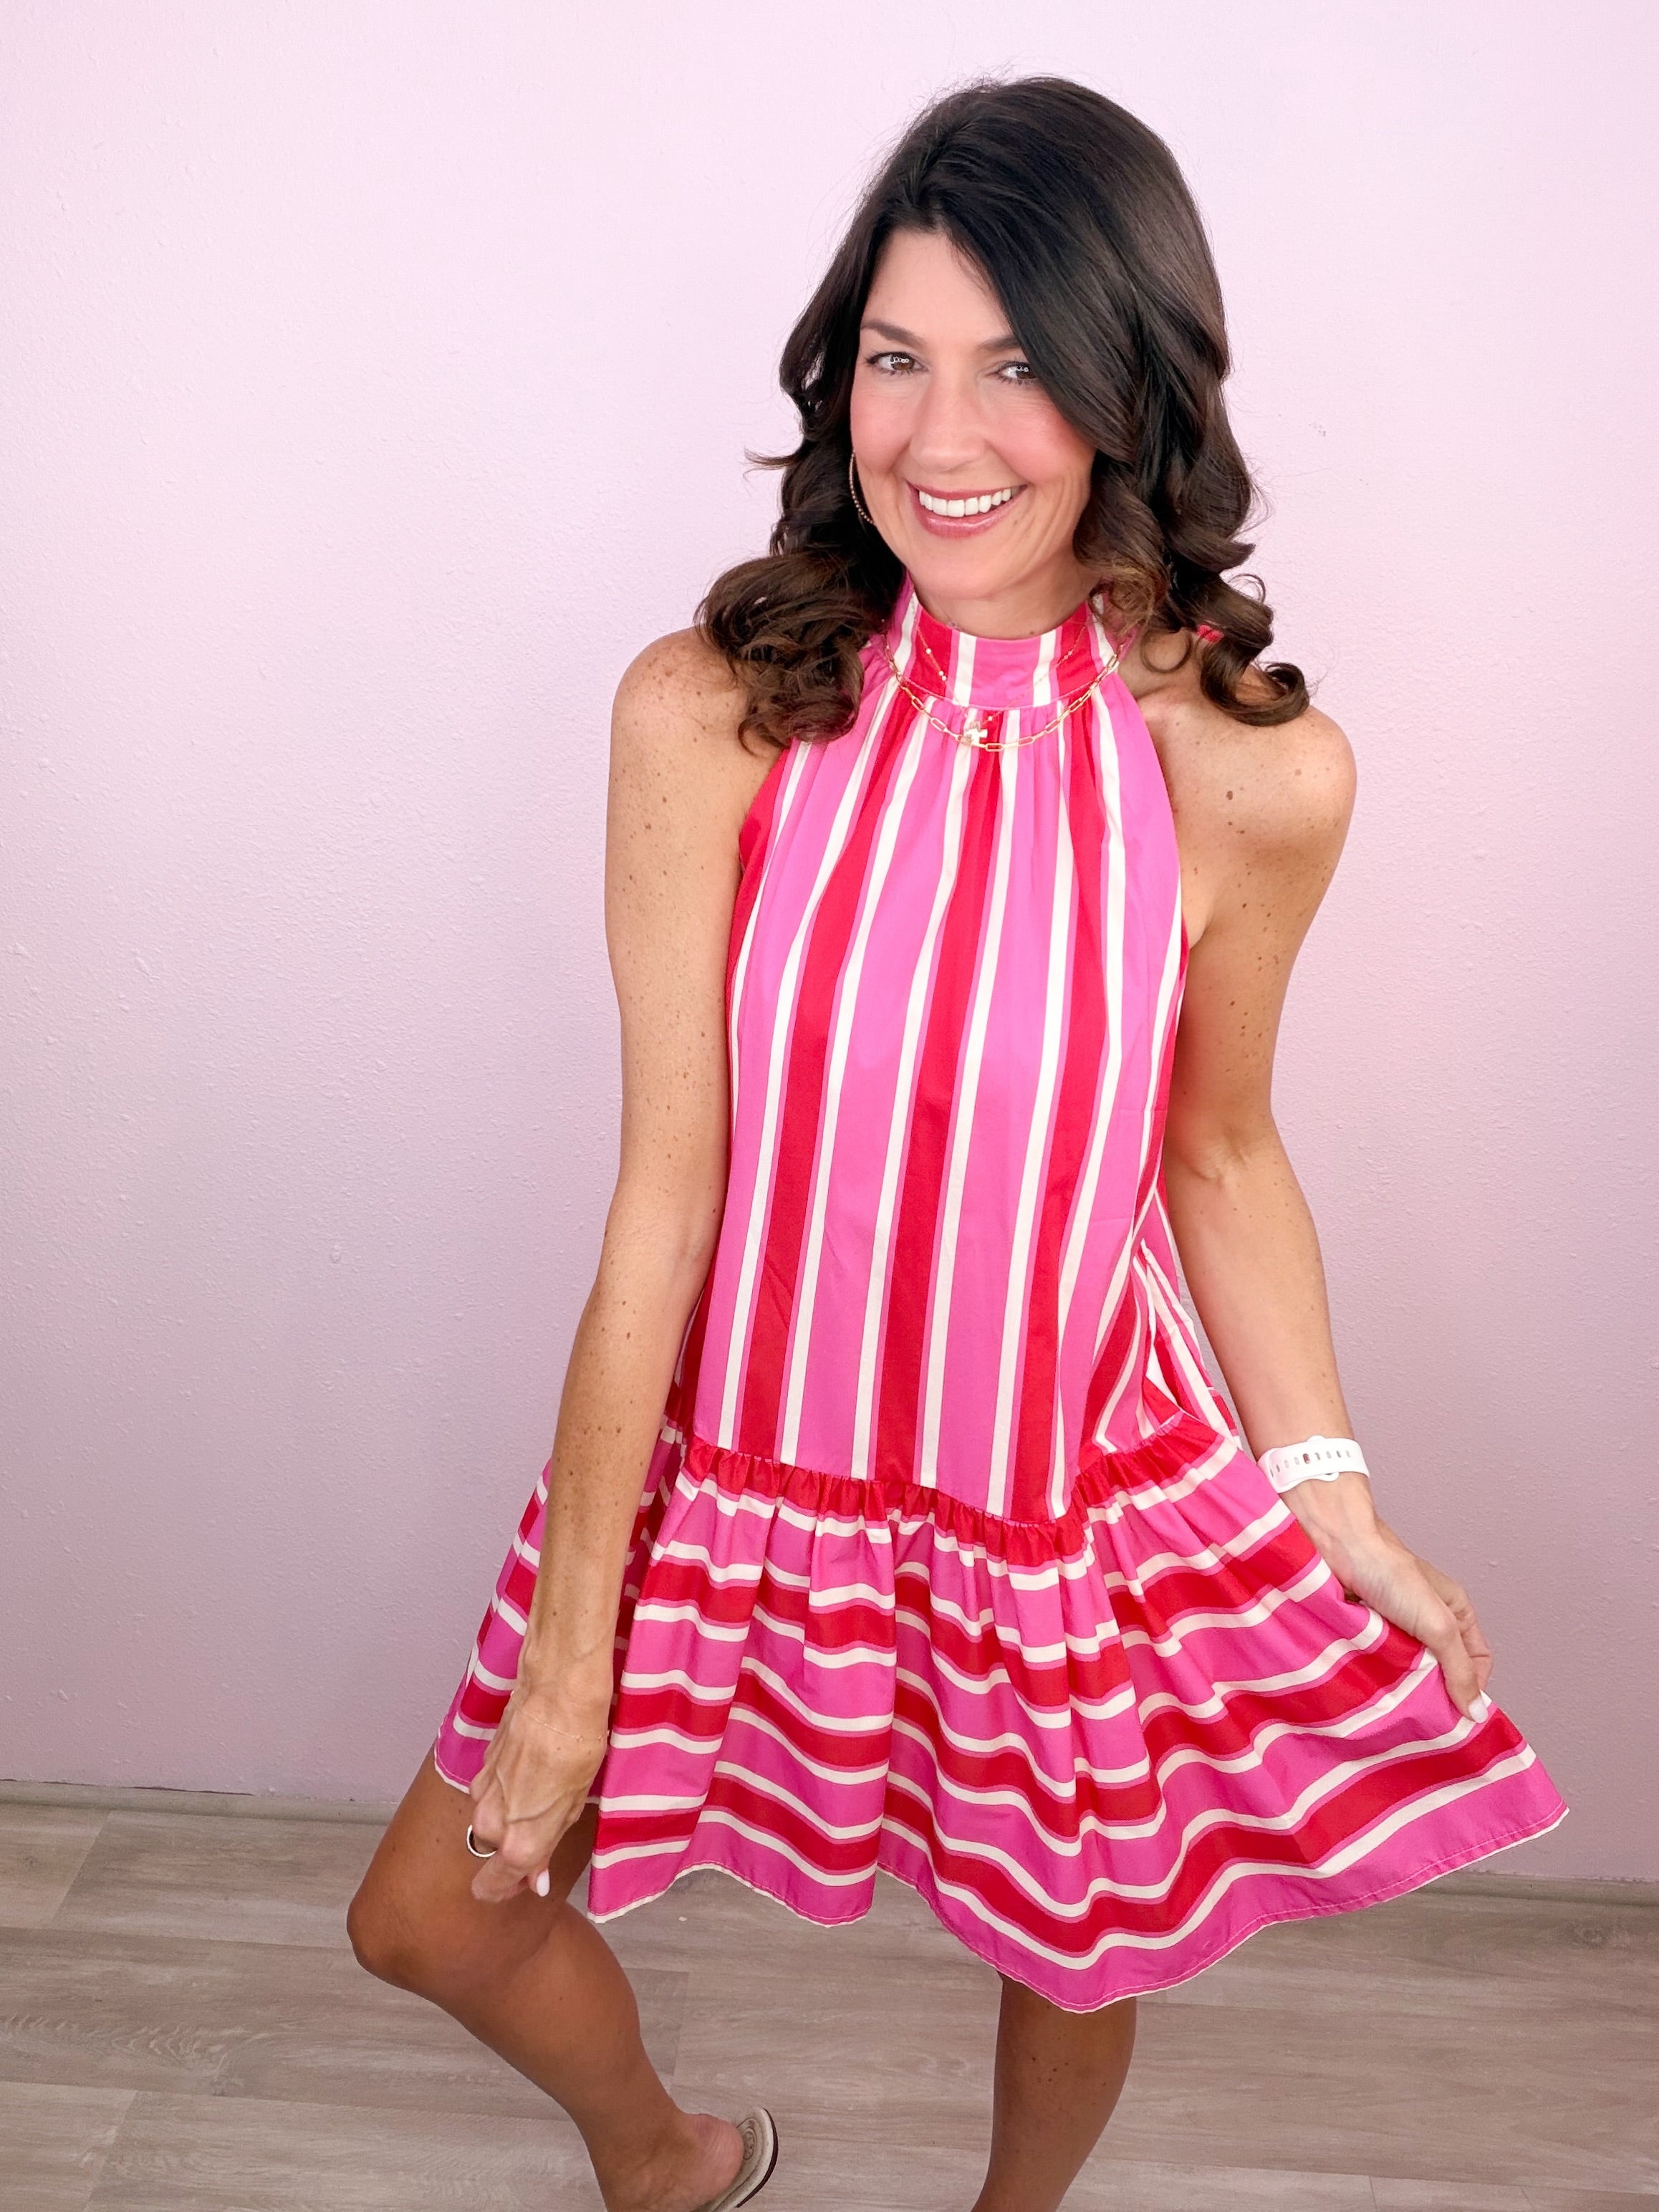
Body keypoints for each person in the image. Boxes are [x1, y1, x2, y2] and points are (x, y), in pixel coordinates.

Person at [345, 76, 1568, 2212]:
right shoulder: (711, 711)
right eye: (896, 360)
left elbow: (1219, 1157)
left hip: (1056, 1488)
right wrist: (572, 1650)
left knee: (1078, 1938)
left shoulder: (1248, 776)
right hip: (737, 1464)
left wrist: (1332, 1491)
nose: (939, 435)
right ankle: (664, 2158)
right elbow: (665, 1202)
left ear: (1129, 389)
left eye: (1015, 368)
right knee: (427, 1918)